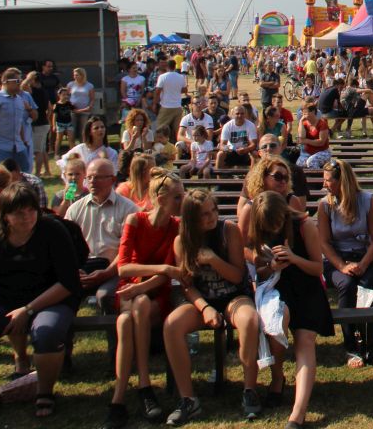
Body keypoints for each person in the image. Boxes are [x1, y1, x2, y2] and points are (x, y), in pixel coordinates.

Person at [0, 183, 79, 421]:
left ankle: (44, 392)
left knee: (47, 332)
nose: (27, 217)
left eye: (32, 210)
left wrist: (28, 309)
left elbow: (69, 283)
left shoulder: (53, 231)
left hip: (50, 301)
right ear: (6, 216)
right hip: (4, 303)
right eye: (19, 213)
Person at [163, 190, 261, 427]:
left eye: (213, 210)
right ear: (191, 218)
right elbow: (187, 286)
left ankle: (250, 390)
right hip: (201, 299)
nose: (211, 217)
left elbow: (238, 275)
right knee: (172, 325)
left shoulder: (229, 231)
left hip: (234, 296)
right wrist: (205, 308)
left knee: (249, 320)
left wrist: (213, 260)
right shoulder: (181, 242)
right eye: (204, 214)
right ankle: (188, 399)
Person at [104, 169, 184, 428]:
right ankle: (142, 387)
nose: (181, 202)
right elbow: (123, 268)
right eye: (177, 197)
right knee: (130, 314)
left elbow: (167, 276)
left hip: (153, 292)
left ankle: (121, 398)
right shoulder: (135, 221)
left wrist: (147, 283)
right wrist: (162, 269)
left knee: (127, 319)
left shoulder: (176, 227)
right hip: (132, 288)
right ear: (161, 199)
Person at [247, 192, 334, 429]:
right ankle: (278, 378)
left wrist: (294, 258)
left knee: (305, 341)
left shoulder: (304, 225)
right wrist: (272, 265)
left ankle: (298, 413)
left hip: (307, 289)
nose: (274, 228)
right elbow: (259, 270)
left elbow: (318, 268)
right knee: (276, 327)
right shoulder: (260, 229)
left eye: (276, 223)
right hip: (279, 289)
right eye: (269, 226)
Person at [316, 159, 373, 366]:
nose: (325, 184)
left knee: (367, 286)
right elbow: (324, 242)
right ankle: (351, 346)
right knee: (346, 285)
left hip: (365, 256)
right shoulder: (325, 205)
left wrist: (363, 264)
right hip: (337, 259)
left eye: (328, 180)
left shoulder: (367, 200)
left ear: (342, 181)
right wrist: (342, 266)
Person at [65, 159, 138, 311]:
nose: (92, 181)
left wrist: (107, 273)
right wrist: (74, 270)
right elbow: (65, 245)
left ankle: (114, 324)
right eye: (89, 177)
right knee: (58, 289)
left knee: (105, 296)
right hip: (83, 268)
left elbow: (128, 250)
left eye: (98, 177)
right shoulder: (75, 209)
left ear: (112, 180)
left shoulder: (128, 209)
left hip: (115, 269)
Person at [0, 69, 37, 173]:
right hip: (1, 147)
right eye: (17, 81)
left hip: (19, 147)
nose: (20, 83)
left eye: (20, 80)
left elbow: (19, 123)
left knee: (24, 175)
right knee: (3, 177)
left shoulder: (19, 99)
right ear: (5, 82)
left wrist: (24, 141)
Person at [154, 60, 188, 143]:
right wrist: (176, 90)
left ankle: (158, 144)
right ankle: (175, 145)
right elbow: (185, 90)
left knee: (160, 128)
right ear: (175, 66)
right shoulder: (181, 77)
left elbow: (158, 91)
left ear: (167, 66)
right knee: (176, 130)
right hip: (178, 106)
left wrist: (155, 103)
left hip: (166, 106)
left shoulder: (162, 77)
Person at [217, 105, 258, 169]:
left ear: (245, 114)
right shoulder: (227, 126)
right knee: (220, 154)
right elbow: (222, 145)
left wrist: (245, 149)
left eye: (242, 113)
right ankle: (219, 175)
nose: (240, 115)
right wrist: (229, 149)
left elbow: (253, 144)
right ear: (233, 115)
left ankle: (253, 174)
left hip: (246, 151)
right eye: (237, 113)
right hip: (231, 151)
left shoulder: (250, 125)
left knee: (254, 153)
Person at [67, 68, 96, 143]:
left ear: (82, 75)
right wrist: (70, 106)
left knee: (83, 130)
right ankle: (72, 146)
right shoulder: (70, 84)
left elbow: (92, 98)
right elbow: (66, 96)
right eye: (74, 75)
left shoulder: (89, 85)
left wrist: (89, 107)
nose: (75, 77)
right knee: (71, 130)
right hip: (73, 110)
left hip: (85, 110)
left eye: (77, 75)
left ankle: (83, 144)